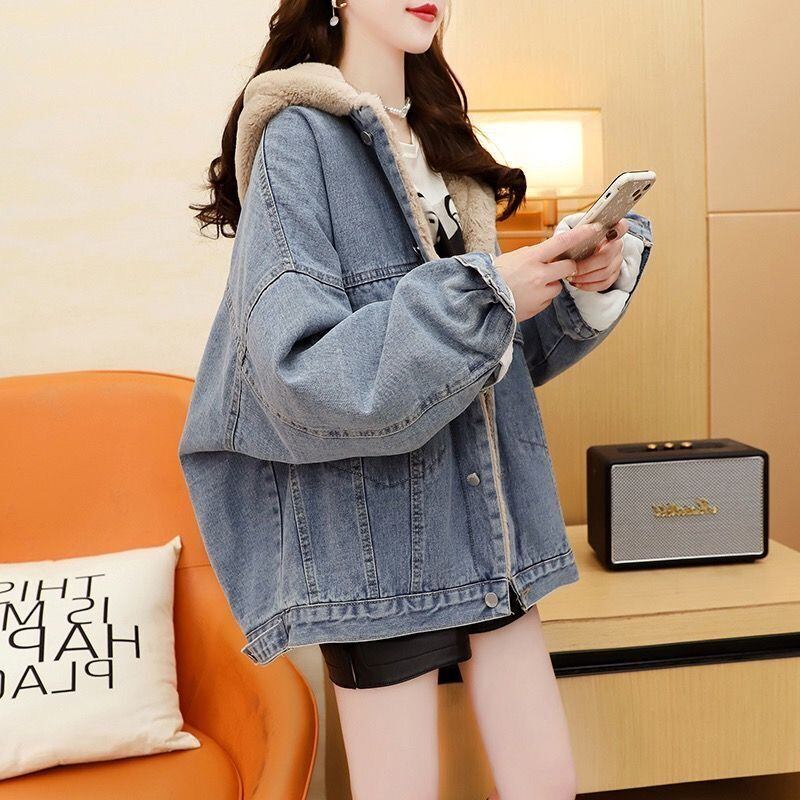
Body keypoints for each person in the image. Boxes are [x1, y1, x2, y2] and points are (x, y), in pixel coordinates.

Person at [179, 2, 653, 799]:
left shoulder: (439, 143)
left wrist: (573, 282)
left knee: (547, 783)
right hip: (374, 542)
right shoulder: (298, 138)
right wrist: (486, 294)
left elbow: (482, 371)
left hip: (489, 526)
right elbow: (301, 368)